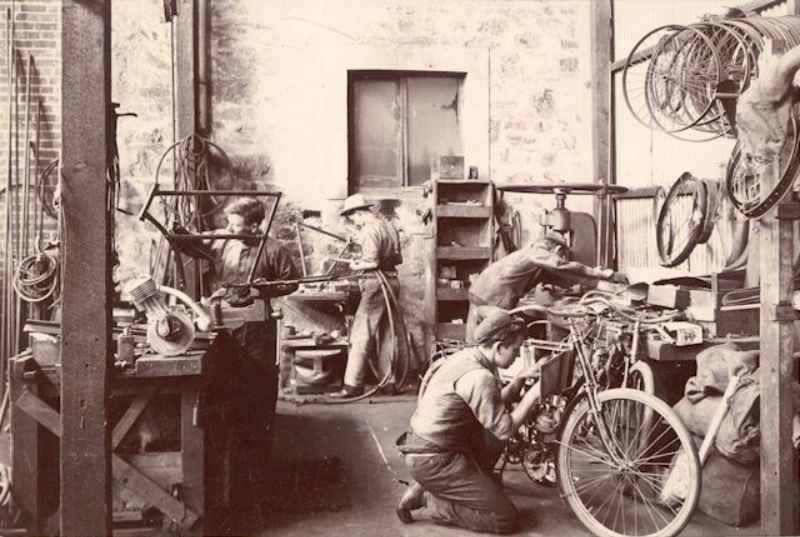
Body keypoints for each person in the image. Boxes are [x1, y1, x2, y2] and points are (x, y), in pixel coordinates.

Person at [395, 305, 543, 533]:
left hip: (429, 447)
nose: (517, 356)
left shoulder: (468, 357)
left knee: (491, 440)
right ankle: (429, 500)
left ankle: (430, 486)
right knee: (504, 518)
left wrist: (520, 380)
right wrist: (533, 395)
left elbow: (488, 406)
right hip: (436, 458)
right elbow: (504, 429)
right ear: (498, 346)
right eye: (515, 349)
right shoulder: (480, 377)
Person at [465, 230, 626, 343]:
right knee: (493, 339)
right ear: (556, 249)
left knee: (478, 339)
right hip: (493, 295)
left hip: (484, 291)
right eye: (562, 254)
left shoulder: (534, 258)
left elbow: (562, 276)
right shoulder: (537, 251)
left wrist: (595, 282)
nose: (563, 258)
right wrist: (595, 273)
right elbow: (559, 265)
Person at [330, 193, 403, 398]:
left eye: (353, 218)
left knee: (361, 333)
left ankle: (353, 385)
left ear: (360, 213)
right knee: (387, 334)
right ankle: (389, 382)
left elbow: (371, 263)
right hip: (392, 281)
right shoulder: (389, 226)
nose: (354, 222)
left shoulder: (370, 229)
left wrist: (355, 264)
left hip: (376, 284)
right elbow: (397, 258)